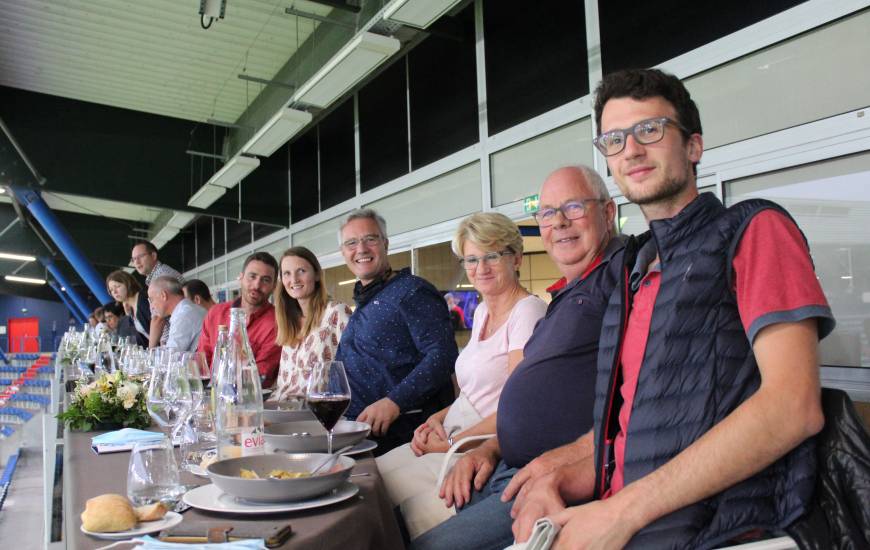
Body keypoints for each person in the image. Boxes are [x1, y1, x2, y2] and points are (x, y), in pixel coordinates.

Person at [509, 68, 835, 549]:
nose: (632, 150)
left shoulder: (754, 230)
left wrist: (619, 513)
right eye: (615, 140)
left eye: (650, 130)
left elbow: (794, 407)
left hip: (726, 530)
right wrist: (553, 478)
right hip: (636, 523)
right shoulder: (633, 268)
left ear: (693, 146)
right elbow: (629, 434)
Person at [411, 166, 623, 550]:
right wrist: (489, 448)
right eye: (546, 213)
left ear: (608, 214)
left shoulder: (621, 277)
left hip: (554, 474)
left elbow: (627, 402)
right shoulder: (566, 295)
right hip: (506, 461)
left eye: (573, 207)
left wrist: (560, 467)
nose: (558, 222)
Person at [377, 212, 548, 539]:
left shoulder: (527, 312)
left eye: (491, 256)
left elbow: (515, 410)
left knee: (398, 507)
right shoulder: (482, 310)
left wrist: (452, 443)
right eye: (471, 259)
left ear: (516, 259)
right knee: (370, 479)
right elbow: (473, 390)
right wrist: (437, 419)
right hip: (456, 429)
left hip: (480, 444)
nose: (480, 268)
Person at [336, 208, 458, 454]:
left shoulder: (412, 291)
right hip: (357, 432)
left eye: (370, 239)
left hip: (398, 436)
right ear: (343, 253)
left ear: (386, 244)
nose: (361, 249)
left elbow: (443, 356)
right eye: (351, 242)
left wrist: (395, 402)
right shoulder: (367, 300)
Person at [268, 246, 353, 404]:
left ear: (316, 275)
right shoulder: (288, 321)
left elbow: (356, 368)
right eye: (287, 273)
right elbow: (284, 385)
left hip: (318, 411)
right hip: (283, 410)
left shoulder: (336, 312)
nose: (294, 280)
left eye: (301, 271)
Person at [197, 251, 282, 387]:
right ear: (241, 277)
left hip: (250, 400)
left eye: (266, 280)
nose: (256, 285)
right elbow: (202, 362)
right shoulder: (216, 313)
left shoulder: (278, 323)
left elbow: (260, 375)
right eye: (252, 276)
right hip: (212, 396)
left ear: (274, 287)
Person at [130, 240, 184, 347]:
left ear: (153, 255)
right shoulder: (156, 276)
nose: (136, 262)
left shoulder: (161, 277)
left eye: (140, 256)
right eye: (134, 259)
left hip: (178, 342)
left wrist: (151, 351)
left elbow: (158, 318)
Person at [147, 276, 207, 352]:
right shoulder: (186, 309)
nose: (151, 307)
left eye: (151, 300)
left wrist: (151, 352)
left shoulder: (184, 315)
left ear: (163, 295)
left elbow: (171, 356)